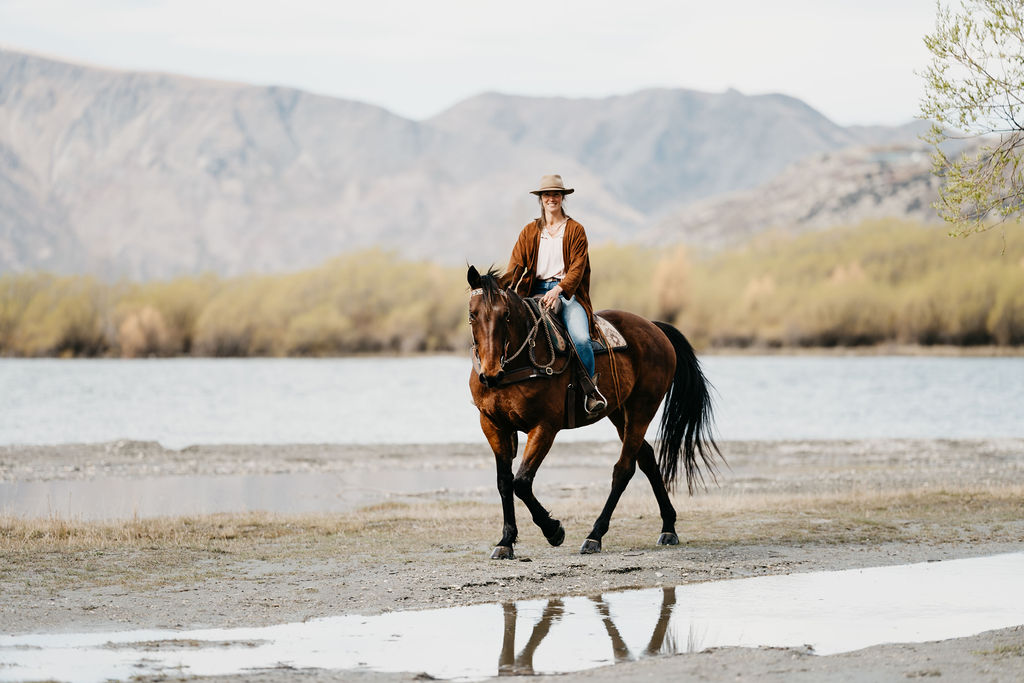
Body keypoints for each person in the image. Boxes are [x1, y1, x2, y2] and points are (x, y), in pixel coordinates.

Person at [503, 174, 607, 416]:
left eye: (556, 194)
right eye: (547, 194)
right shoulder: (529, 232)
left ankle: (590, 391)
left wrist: (559, 290)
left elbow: (578, 268)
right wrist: (504, 291)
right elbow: (515, 267)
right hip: (534, 292)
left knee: (580, 339)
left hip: (568, 294)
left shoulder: (575, 230)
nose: (552, 198)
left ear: (563, 198)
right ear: (541, 199)